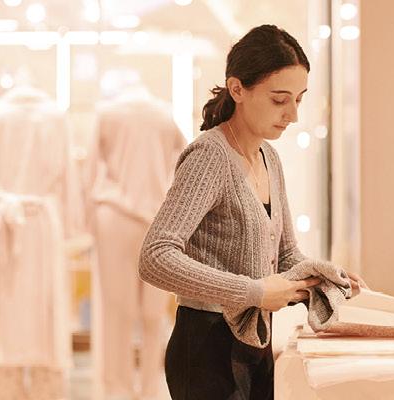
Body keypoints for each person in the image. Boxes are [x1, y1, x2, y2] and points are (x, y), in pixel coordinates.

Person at [138, 24, 366, 400]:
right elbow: (155, 257)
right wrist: (253, 291)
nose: (292, 114)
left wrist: (326, 280)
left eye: (299, 99)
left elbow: (288, 254)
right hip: (206, 347)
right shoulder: (209, 157)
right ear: (237, 89)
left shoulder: (269, 157)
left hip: (254, 343)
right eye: (280, 100)